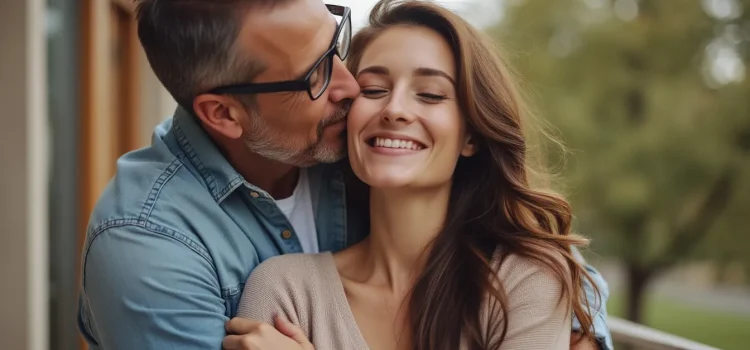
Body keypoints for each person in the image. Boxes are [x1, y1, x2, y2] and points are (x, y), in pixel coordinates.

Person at [76, 0, 612, 349]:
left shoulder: (343, 146)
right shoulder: (148, 243)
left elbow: (531, 256)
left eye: (336, 44)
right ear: (224, 114)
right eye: (314, 75)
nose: (352, 87)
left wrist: (577, 324)